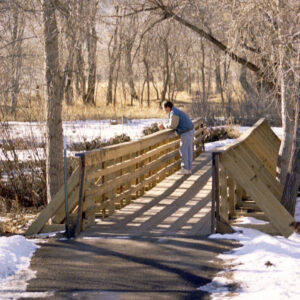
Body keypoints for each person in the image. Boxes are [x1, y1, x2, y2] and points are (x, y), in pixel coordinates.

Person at [159, 101, 195, 175]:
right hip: (190, 130)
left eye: (164, 108)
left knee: (183, 150)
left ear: (168, 107)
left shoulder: (174, 113)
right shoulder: (175, 111)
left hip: (186, 132)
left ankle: (185, 169)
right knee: (188, 150)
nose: (164, 110)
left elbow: (173, 125)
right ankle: (188, 169)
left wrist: (164, 126)